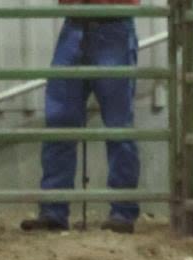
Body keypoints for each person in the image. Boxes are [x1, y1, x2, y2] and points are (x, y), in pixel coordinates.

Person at [21, 0, 141, 234]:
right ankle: (54, 210)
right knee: (60, 119)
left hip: (111, 22)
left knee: (118, 125)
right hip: (78, 24)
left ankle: (122, 211)